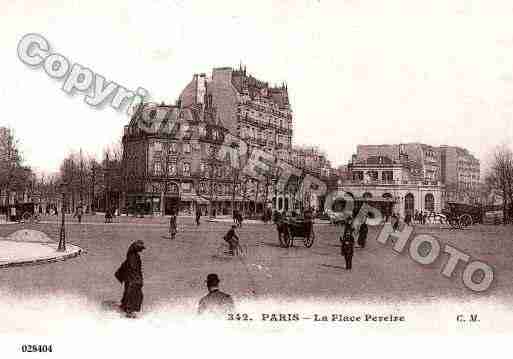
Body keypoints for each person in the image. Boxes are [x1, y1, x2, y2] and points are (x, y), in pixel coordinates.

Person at [115, 240, 146, 318]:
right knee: (134, 295)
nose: (142, 250)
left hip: (132, 279)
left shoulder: (133, 256)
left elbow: (129, 267)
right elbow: (133, 269)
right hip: (133, 279)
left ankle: (125, 308)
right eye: (141, 248)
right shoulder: (133, 257)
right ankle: (129, 312)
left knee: (131, 294)